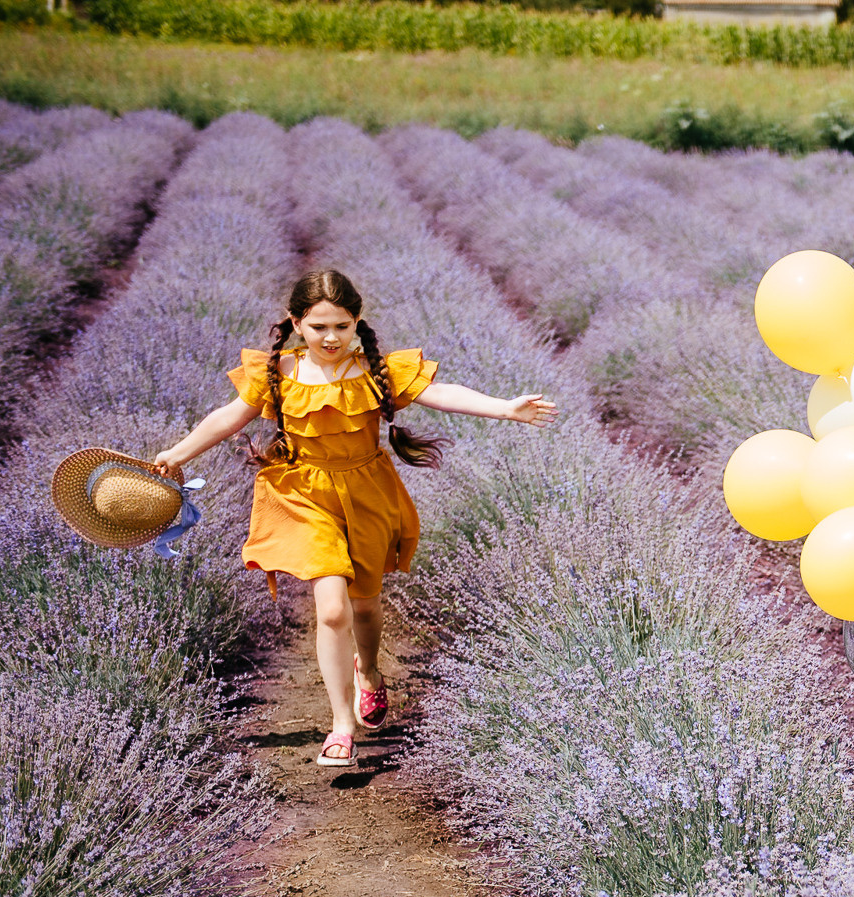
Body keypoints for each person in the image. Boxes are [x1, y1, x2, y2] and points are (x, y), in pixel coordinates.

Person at [153, 269, 557, 767]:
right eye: (318, 327)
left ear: (357, 321)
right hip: (304, 496)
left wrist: (505, 408)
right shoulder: (277, 373)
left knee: (365, 607)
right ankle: (341, 725)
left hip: (366, 494)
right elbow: (228, 416)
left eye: (341, 327)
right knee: (331, 611)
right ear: (296, 324)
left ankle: (369, 672)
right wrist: (178, 452)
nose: (331, 338)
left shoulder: (374, 370)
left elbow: (442, 393)